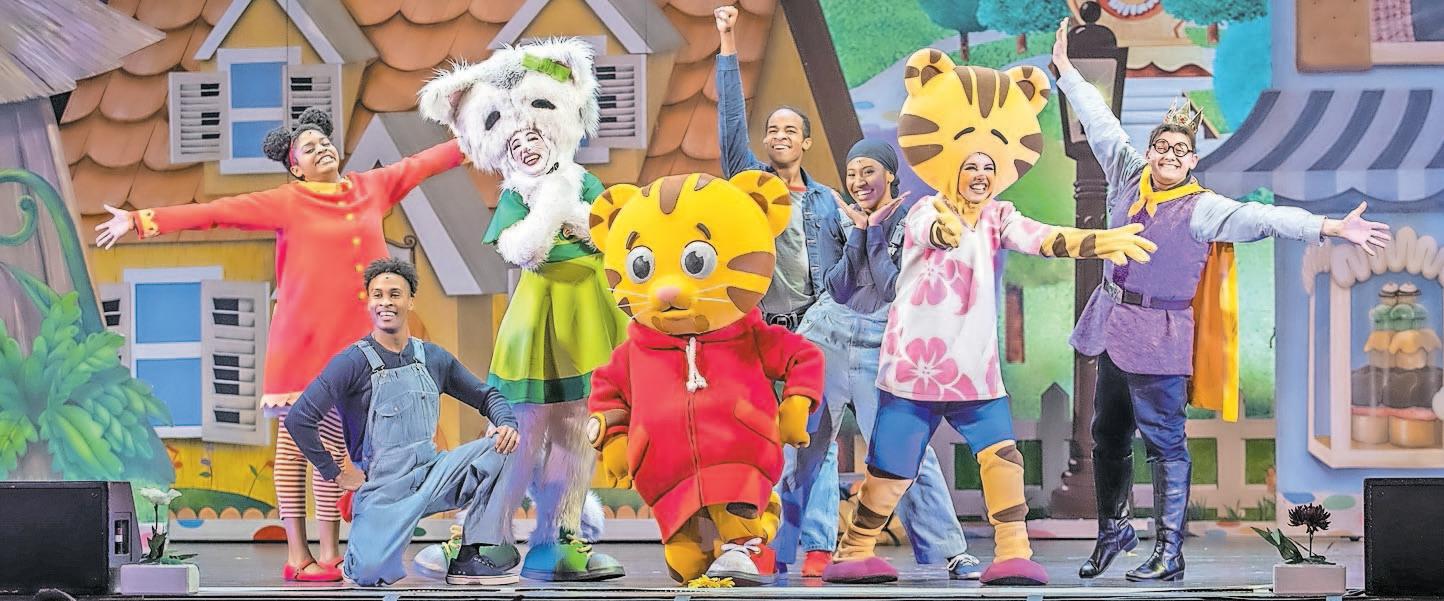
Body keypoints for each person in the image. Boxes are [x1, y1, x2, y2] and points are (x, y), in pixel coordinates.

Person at [1051, 20, 1391, 582]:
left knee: (1164, 442)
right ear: (1150, 151)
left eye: (1180, 150)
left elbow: (1266, 217)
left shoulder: (1203, 208)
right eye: (1162, 146)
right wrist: (1066, 72)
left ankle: (1169, 551)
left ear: (1191, 161)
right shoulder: (1128, 176)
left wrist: (1329, 226)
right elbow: (1100, 121)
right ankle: (1114, 531)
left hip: (1159, 334)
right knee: (1107, 434)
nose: (1168, 154)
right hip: (1113, 321)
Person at [823, 52, 1157, 587]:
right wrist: (946, 230)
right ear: (953, 167)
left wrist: (1097, 241)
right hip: (914, 370)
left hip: (973, 371)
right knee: (890, 467)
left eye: (986, 167)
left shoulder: (1000, 215)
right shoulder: (925, 210)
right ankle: (854, 550)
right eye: (971, 166)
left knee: (1003, 458)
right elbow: (932, 232)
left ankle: (1014, 552)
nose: (979, 175)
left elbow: (1043, 238)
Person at [93, 109, 466, 583]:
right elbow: (215, 213)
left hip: (358, 348)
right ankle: (303, 553)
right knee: (303, 443)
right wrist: (141, 220)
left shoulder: (370, 187)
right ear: (296, 167)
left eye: (324, 142)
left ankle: (328, 551)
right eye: (309, 148)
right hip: (303, 344)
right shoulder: (288, 201)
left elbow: (422, 164)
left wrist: (478, 140)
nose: (321, 149)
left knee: (339, 445)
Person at [417, 38, 627, 582]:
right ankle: (483, 534)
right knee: (519, 429)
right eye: (514, 140)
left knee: (578, 429)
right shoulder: (519, 194)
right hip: (536, 323)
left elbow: (609, 231)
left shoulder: (583, 182)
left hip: (587, 316)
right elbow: (520, 249)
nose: (527, 146)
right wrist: (550, 206)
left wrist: (568, 206)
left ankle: (561, 535)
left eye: (535, 134)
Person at [773, 139, 983, 580]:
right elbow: (838, 287)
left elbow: (892, 287)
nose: (858, 181)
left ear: (889, 174)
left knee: (903, 450)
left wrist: (872, 232)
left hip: (883, 343)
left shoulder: (913, 220)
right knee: (801, 448)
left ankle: (949, 550)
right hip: (825, 340)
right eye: (852, 173)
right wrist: (859, 231)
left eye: (868, 171)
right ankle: (777, 547)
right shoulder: (837, 218)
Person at [284, 259, 521, 586]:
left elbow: (487, 396)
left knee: (504, 446)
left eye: (395, 294)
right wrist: (335, 473)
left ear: (411, 301)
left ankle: (473, 553)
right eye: (377, 295)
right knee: (367, 573)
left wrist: (506, 422)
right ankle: (365, 548)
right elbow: (299, 418)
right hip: (384, 490)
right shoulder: (352, 362)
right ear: (369, 303)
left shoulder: (433, 358)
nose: (386, 302)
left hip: (433, 476)